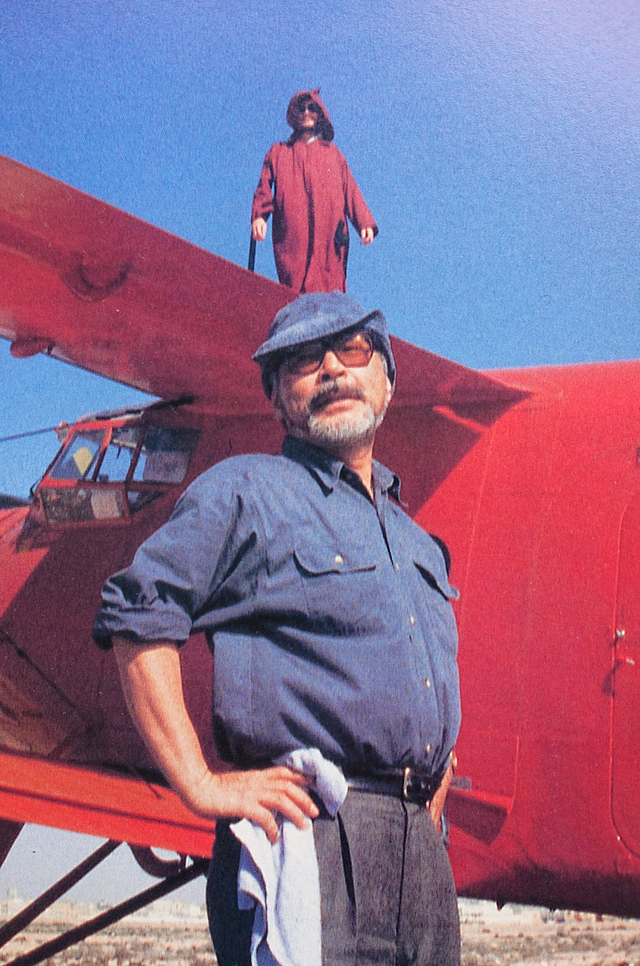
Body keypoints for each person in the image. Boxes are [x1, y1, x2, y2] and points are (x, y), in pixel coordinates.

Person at [93, 291, 461, 966]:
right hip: (312, 832)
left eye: (353, 350)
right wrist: (200, 782)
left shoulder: (416, 542)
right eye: (302, 361)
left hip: (420, 848)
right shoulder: (246, 492)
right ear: (276, 399)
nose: (332, 368)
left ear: (388, 380)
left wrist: (433, 767)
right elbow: (139, 610)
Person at [251, 90, 378, 293]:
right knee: (295, 282)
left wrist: (364, 223)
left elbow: (350, 190)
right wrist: (259, 216)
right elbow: (263, 186)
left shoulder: (333, 154)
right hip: (294, 229)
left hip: (329, 229)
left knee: (329, 282)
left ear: (320, 114)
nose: (306, 112)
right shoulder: (279, 152)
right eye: (301, 108)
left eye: (312, 108)